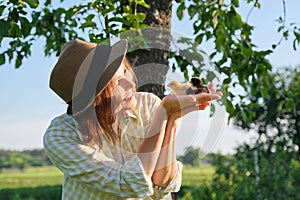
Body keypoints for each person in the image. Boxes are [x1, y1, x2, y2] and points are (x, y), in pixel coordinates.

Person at [43, 39, 222, 200]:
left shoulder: (148, 104)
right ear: (94, 101)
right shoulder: (61, 136)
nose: (131, 84)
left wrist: (172, 117)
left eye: (126, 72)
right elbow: (129, 184)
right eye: (117, 83)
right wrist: (163, 115)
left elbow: (162, 186)